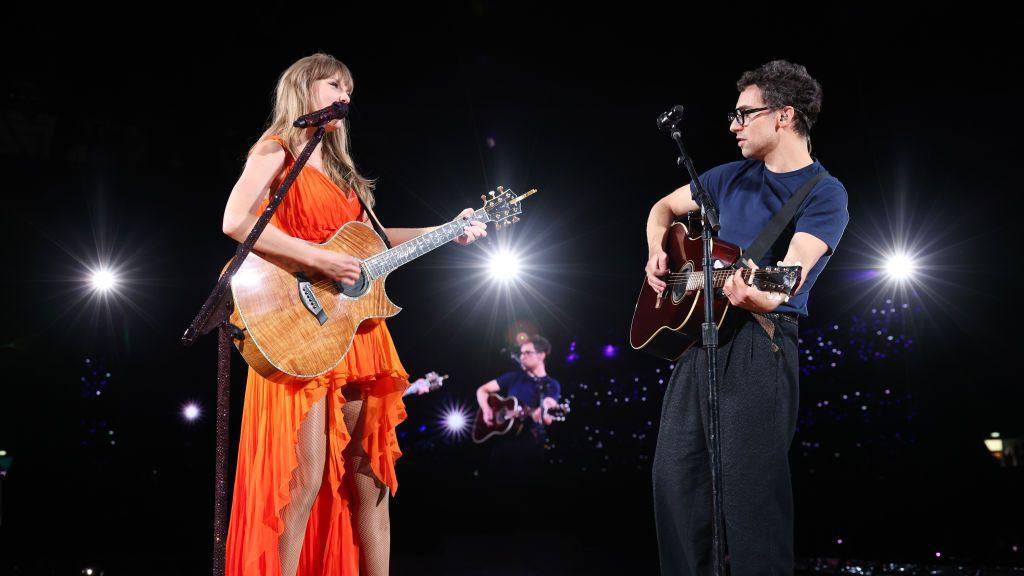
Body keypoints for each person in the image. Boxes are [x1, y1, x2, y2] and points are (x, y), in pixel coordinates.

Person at [220, 53, 487, 576]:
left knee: (372, 480)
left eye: (349, 87)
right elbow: (235, 220)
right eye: (333, 84)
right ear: (303, 89)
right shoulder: (276, 150)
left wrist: (447, 229)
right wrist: (319, 258)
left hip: (360, 328)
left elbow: (375, 245)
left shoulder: (345, 174)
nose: (345, 95)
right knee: (305, 477)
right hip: (303, 323)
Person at [646, 60, 849, 575]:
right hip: (699, 343)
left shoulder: (824, 192)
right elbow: (662, 210)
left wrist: (761, 293)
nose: (733, 125)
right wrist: (657, 253)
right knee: (676, 481)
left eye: (743, 114)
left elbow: (791, 272)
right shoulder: (724, 176)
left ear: (783, 116)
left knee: (749, 493)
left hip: (762, 342)